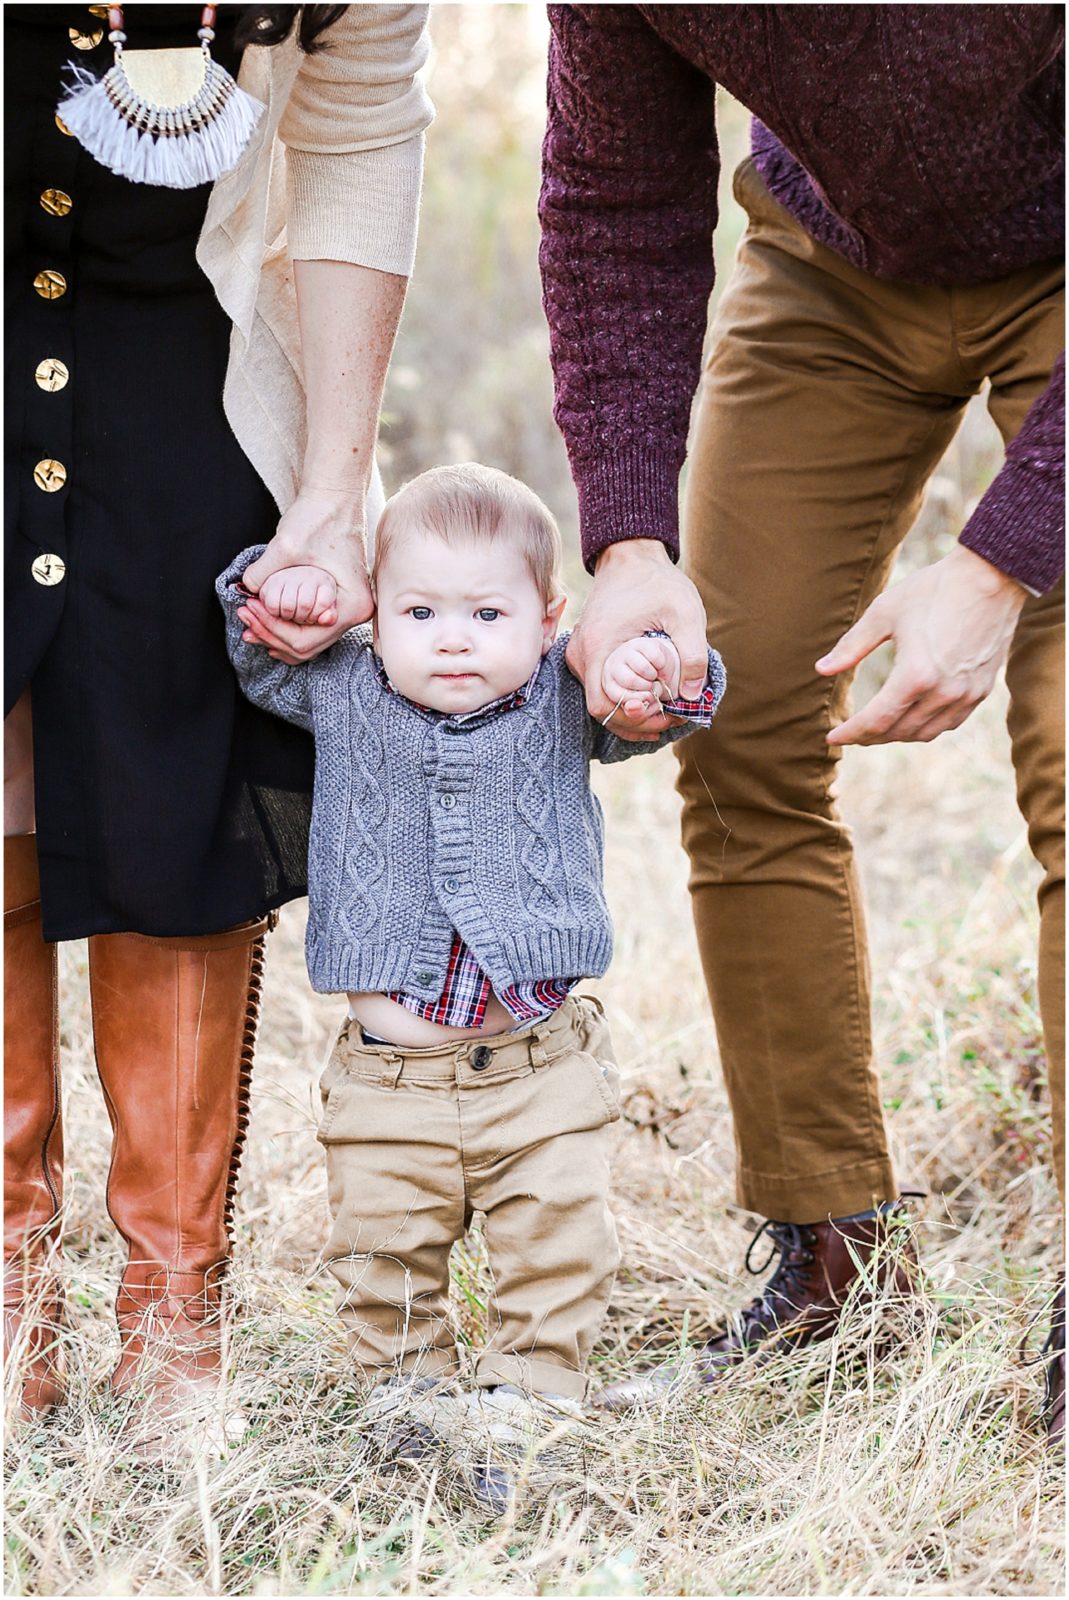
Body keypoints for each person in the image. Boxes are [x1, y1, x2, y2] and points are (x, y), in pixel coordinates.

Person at [537, 6, 1065, 1441]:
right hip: (837, 274)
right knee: (743, 712)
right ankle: (834, 1267)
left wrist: (1002, 558)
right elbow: (613, 188)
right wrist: (630, 541)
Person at [4, 3, 432, 1440]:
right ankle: (7, 1320)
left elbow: (361, 141)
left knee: (179, 797)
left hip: (192, 362)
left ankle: (172, 1330)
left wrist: (328, 486)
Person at [217, 461, 725, 1506]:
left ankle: (532, 1399)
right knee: (382, 1251)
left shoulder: (558, 697)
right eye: (420, 610)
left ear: (548, 620)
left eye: (487, 611)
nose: (452, 637)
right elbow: (258, 655)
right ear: (373, 612)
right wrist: (282, 591)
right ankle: (409, 1405)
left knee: (557, 1243)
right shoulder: (347, 685)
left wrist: (652, 670)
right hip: (387, 1085)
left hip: (539, 1071)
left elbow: (663, 712)